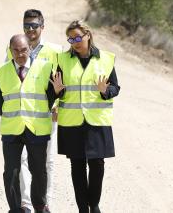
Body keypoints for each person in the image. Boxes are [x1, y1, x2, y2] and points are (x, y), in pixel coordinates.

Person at [53, 21, 120, 213]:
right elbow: (56, 89)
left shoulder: (106, 59)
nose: (74, 42)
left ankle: (94, 204)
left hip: (97, 121)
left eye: (77, 37)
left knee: (97, 164)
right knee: (77, 166)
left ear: (88, 35)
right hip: (72, 122)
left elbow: (116, 87)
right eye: (71, 39)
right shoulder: (62, 60)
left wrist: (106, 91)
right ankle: (83, 208)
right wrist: (56, 92)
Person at [4, 9, 62, 213]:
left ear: (42, 27)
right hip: (22, 116)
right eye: (27, 25)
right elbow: (8, 79)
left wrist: (56, 106)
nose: (30, 29)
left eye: (34, 25)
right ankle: (25, 203)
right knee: (20, 160)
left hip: (46, 113)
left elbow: (60, 82)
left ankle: (45, 202)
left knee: (46, 161)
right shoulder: (14, 47)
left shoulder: (55, 50)